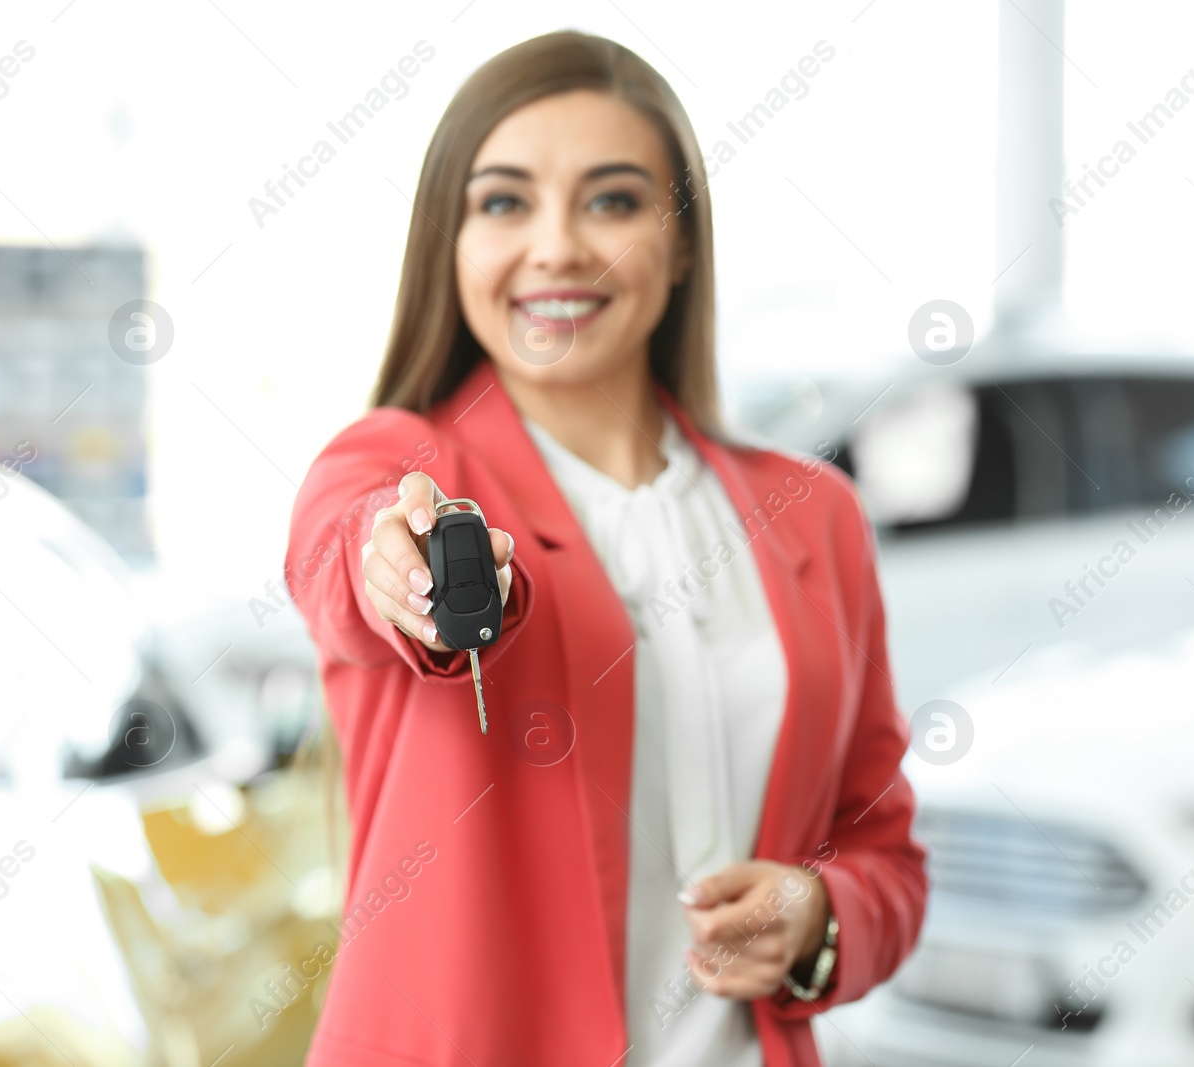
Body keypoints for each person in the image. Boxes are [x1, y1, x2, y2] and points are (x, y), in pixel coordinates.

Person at [285, 30, 927, 1067]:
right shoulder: (396, 465)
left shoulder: (815, 516)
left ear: (680, 248)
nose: (558, 248)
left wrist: (817, 913)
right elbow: (342, 555)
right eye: (503, 202)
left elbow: (882, 851)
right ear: (448, 243)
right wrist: (394, 569)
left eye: (613, 200)